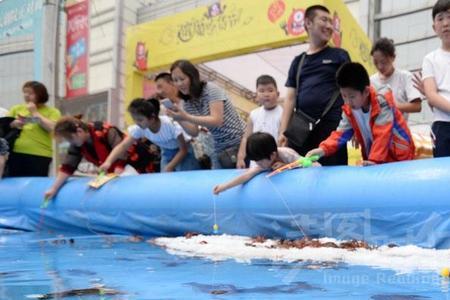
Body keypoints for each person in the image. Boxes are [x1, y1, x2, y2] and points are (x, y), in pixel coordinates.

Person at [279, 5, 350, 166]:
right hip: (300, 130)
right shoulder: (298, 61)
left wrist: (354, 127)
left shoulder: (339, 55)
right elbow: (289, 99)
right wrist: (283, 132)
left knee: (334, 175)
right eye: (324, 20)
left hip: (332, 128)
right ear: (308, 23)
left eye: (331, 22)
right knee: (297, 172)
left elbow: (350, 92)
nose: (329, 26)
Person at [306, 62, 415, 165]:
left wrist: (374, 160)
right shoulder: (349, 109)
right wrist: (322, 150)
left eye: (352, 96)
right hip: (376, 159)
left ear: (366, 91)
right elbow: (340, 134)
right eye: (344, 96)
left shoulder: (382, 102)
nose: (348, 101)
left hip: (399, 158)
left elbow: (382, 134)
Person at [44, 116, 158, 199]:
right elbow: (68, 167)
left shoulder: (104, 130)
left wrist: (117, 171)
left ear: (79, 131)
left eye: (70, 139)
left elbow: (123, 149)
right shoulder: (77, 144)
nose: (70, 142)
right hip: (116, 169)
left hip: (138, 162)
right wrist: (54, 188)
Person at [168, 59, 245, 169]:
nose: (179, 83)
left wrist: (186, 117)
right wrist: (179, 119)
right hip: (219, 145)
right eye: (175, 80)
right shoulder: (187, 102)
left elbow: (217, 120)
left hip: (239, 140)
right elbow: (194, 132)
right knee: (219, 181)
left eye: (182, 79)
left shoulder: (210, 89)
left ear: (192, 77)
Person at [100, 98, 200, 173]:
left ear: (152, 118)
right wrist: (108, 162)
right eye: (134, 119)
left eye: (140, 120)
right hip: (166, 152)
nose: (137, 123)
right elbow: (123, 146)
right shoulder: (140, 128)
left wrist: (170, 166)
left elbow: (183, 150)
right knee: (165, 178)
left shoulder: (170, 125)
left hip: (183, 151)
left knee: (186, 175)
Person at [213, 132, 302, 194]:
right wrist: (224, 187)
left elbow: (307, 164)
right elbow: (246, 176)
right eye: (256, 161)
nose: (258, 164)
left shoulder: (287, 154)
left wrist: (287, 166)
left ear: (273, 155)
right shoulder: (262, 162)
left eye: (259, 161)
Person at [7, 81, 61, 177]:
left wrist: (35, 112)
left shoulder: (52, 111)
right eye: (25, 92)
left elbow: (52, 127)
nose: (26, 95)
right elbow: (4, 125)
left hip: (39, 155)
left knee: (35, 185)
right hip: (15, 153)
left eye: (31, 93)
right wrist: (13, 124)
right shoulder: (16, 108)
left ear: (40, 95)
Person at [422, 0, 450, 157]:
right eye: (440, 18)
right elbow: (431, 95)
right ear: (434, 27)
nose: (446, 23)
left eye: (449, 17)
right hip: (443, 126)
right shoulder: (430, 59)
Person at [236, 75, 283, 169]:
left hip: (275, 163)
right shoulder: (254, 114)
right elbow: (246, 138)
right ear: (256, 95)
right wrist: (240, 158)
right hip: (256, 163)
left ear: (277, 94)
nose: (266, 94)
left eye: (270, 90)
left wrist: (278, 159)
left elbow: (283, 139)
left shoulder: (283, 113)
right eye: (262, 91)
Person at [370, 37, 422, 120]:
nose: (380, 66)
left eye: (383, 62)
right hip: (377, 130)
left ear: (393, 57)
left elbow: (417, 106)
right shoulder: (371, 81)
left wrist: (393, 105)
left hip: (398, 129)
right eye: (376, 62)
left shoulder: (405, 77)